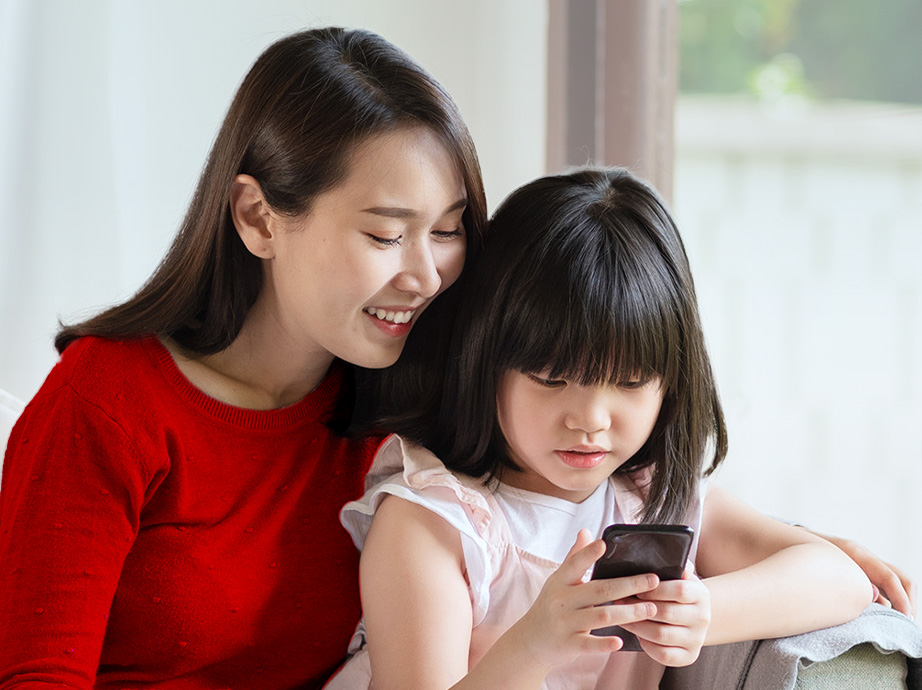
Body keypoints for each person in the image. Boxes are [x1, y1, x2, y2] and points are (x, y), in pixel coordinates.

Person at [0, 27, 487, 689]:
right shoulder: (106, 401)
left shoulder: (406, 412)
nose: (426, 275)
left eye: (447, 230)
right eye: (386, 233)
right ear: (259, 217)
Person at [326, 167, 878, 690]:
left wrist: (703, 612)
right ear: (485, 361)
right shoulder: (434, 521)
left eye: (633, 381)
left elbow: (840, 579)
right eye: (550, 377)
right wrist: (534, 644)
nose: (590, 420)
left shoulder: (649, 499)